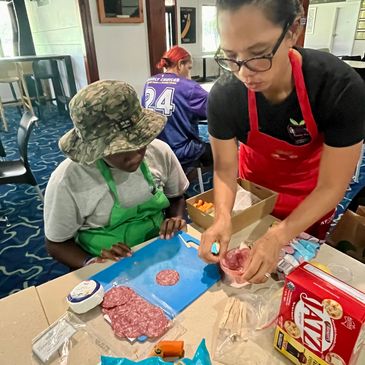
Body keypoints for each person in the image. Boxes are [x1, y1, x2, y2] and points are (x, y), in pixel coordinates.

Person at [199, 0, 365, 283]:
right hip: (255, 197)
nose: (244, 72)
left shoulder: (338, 88)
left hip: (311, 199)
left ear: (292, 32)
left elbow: (333, 185)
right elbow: (225, 170)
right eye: (230, 56)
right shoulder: (226, 95)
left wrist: (279, 235)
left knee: (296, 282)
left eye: (259, 54)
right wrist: (223, 217)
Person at [44, 80, 189, 270]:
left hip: (159, 247)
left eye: (141, 142)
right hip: (107, 264)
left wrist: (174, 218)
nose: (136, 156)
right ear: (95, 150)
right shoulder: (68, 180)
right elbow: (56, 244)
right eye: (120, 150)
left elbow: (177, 196)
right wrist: (91, 262)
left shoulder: (159, 152)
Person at [141, 46, 213, 171]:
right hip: (180, 150)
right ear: (180, 64)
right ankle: (190, 178)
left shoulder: (150, 82)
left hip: (154, 148)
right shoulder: (189, 87)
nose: (189, 74)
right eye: (189, 68)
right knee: (216, 151)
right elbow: (214, 111)